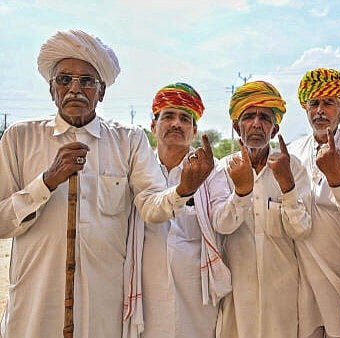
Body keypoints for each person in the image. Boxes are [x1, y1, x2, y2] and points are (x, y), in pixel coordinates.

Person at [0, 30, 207, 337]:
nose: (74, 88)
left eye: (86, 81)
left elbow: (150, 205)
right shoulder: (20, 138)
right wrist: (46, 182)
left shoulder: (128, 141)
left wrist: (182, 190)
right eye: (64, 79)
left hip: (103, 306)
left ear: (102, 91)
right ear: (51, 88)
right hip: (36, 301)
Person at [142, 82, 245, 337]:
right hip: (145, 291)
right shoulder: (140, 168)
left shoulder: (212, 170)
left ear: (194, 130)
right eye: (168, 116)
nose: (176, 123)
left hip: (195, 293)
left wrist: (242, 193)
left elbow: (223, 223)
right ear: (153, 126)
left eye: (185, 118)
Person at [216, 80, 312, 338]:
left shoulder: (294, 168)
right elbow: (221, 225)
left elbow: (301, 230)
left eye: (264, 118)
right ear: (237, 127)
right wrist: (241, 191)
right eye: (249, 117)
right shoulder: (223, 170)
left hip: (282, 294)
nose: (257, 123)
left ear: (274, 128)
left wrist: (287, 184)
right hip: (237, 294)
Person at [288, 68, 340, 338]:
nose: (320, 110)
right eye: (314, 103)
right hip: (303, 277)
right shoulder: (292, 151)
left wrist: (338, 179)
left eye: (328, 103)